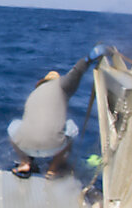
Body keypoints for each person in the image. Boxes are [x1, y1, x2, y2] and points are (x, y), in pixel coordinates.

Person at [10, 45, 111, 179]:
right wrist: (89, 58)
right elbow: (76, 72)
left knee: (15, 125)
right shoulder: (60, 85)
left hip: (24, 145)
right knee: (71, 127)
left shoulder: (34, 94)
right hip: (53, 147)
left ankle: (25, 163)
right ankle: (52, 169)